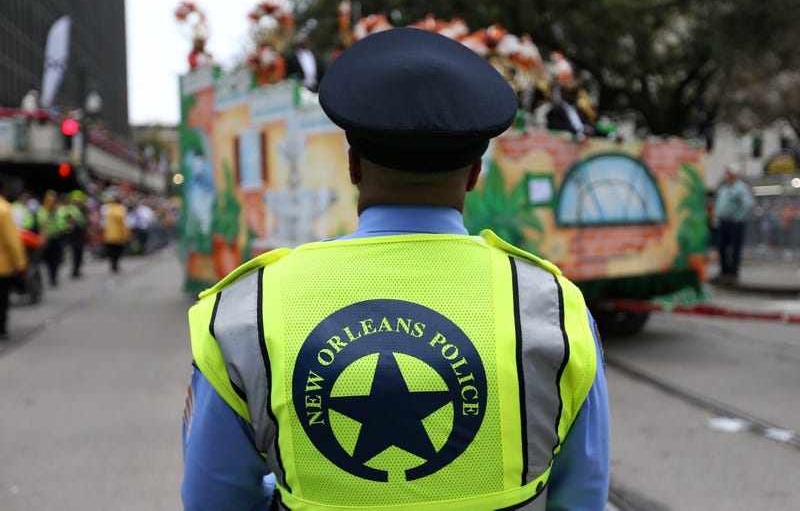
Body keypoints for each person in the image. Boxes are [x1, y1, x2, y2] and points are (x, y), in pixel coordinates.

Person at [182, 28, 609, 510]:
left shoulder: (244, 312)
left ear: (354, 166)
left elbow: (213, 500)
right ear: (473, 175)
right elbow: (581, 498)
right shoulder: (554, 308)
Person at [712, 163, 755, 284]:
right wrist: (716, 217)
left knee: (735, 249)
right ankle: (724, 271)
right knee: (721, 248)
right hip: (723, 222)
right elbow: (719, 204)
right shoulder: (724, 188)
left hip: (735, 224)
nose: (728, 175)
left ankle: (733, 274)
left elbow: (748, 205)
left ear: (735, 174)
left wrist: (738, 217)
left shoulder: (741, 188)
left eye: (730, 173)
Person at [0, 176, 27, 340]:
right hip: (2, 266)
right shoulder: (4, 209)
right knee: (1, 299)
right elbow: (12, 241)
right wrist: (20, 263)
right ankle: (1, 329)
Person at [100, 192, 130, 273]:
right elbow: (124, 222)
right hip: (119, 234)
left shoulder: (106, 208)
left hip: (109, 233)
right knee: (117, 250)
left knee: (112, 250)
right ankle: (115, 264)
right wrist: (126, 233)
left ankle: (113, 264)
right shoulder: (121, 208)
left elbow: (103, 222)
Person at [63, 190, 88, 278]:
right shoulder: (70, 210)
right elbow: (68, 223)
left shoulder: (82, 210)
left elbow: (85, 222)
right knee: (74, 253)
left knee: (79, 253)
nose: (76, 203)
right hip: (73, 235)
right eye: (74, 201)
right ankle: (74, 270)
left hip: (80, 235)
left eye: (77, 201)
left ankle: (77, 270)